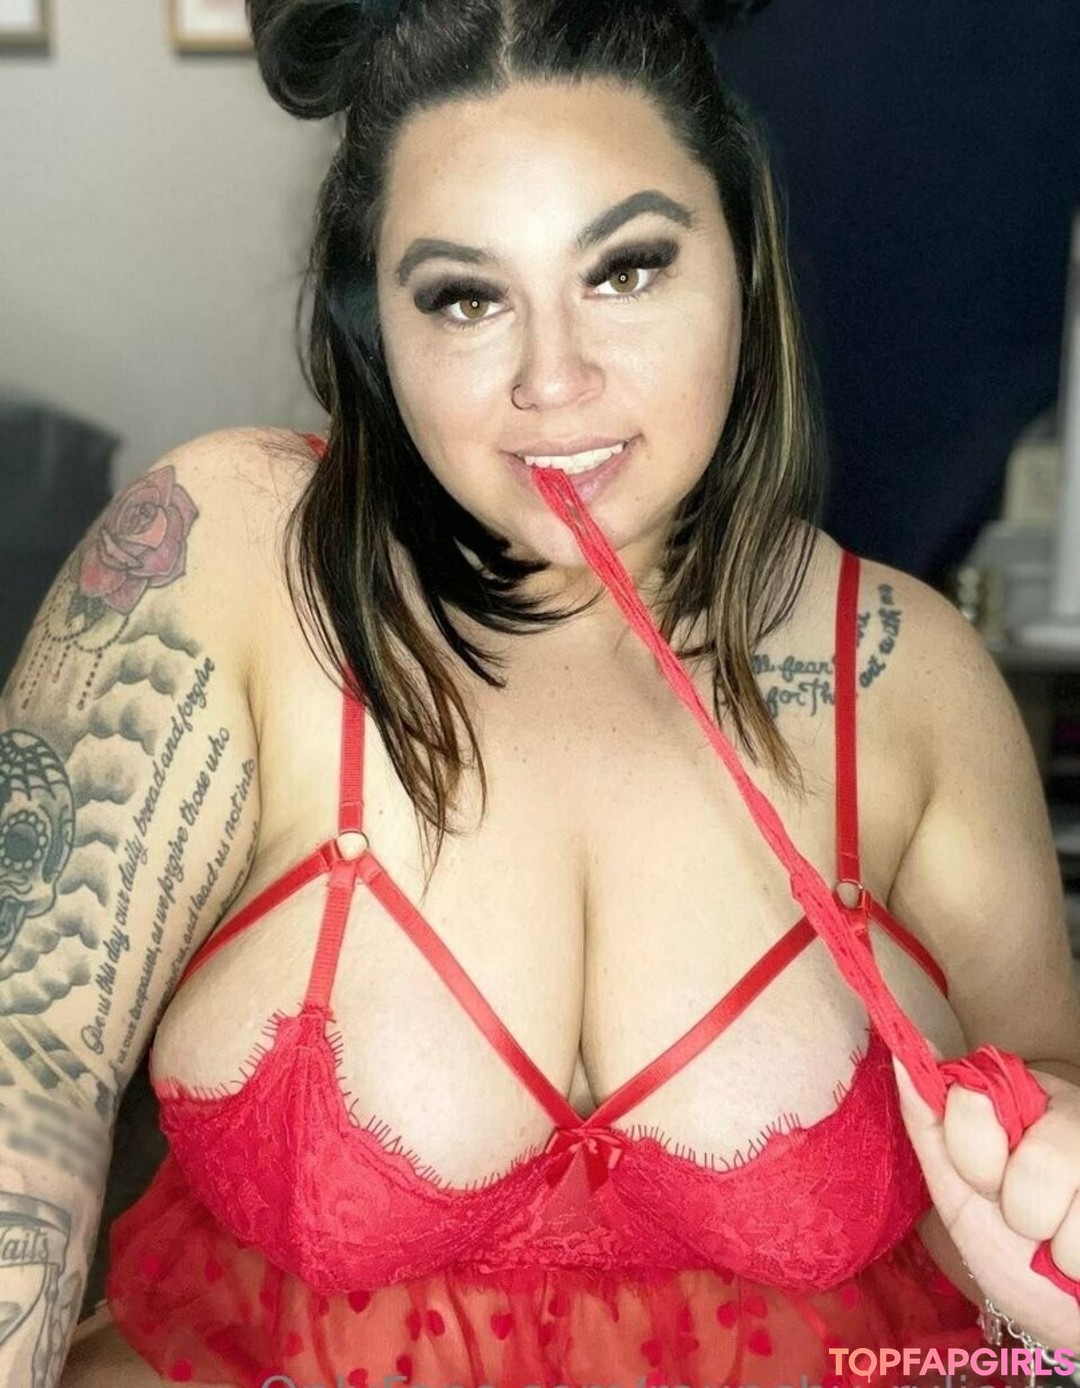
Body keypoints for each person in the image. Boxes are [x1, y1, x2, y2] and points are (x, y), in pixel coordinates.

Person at [3, 0, 1074, 1384]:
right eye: (466, 297)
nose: (553, 383)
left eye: (626, 271)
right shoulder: (231, 559)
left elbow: (1048, 1152)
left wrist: (1047, 1283)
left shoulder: (910, 672)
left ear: (743, 262)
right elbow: (24, 1077)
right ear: (376, 324)